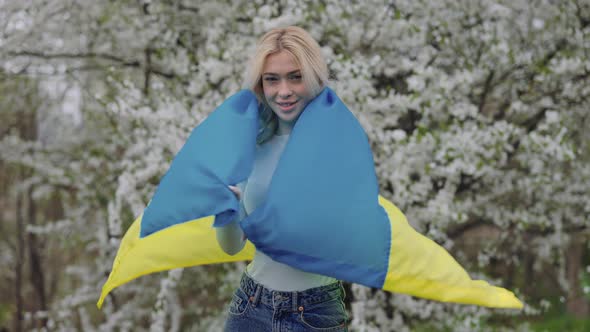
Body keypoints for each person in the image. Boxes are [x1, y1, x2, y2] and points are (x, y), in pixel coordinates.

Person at [216, 26, 349, 331]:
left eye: (295, 76)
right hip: (250, 306)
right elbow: (232, 246)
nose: (284, 90)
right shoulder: (252, 144)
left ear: (313, 78)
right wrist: (226, 210)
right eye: (272, 79)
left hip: (313, 314)